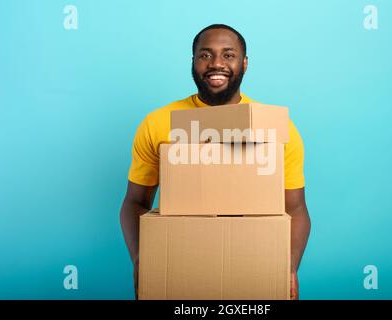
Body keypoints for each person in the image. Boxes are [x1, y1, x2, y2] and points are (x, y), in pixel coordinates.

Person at [120, 24, 311, 300]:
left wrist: (288, 266)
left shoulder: (275, 128)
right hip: (180, 266)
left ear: (244, 64)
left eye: (229, 55)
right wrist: (142, 258)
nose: (216, 63)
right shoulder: (159, 123)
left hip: (252, 266)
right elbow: (135, 202)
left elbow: (295, 208)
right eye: (205, 55)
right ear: (193, 62)